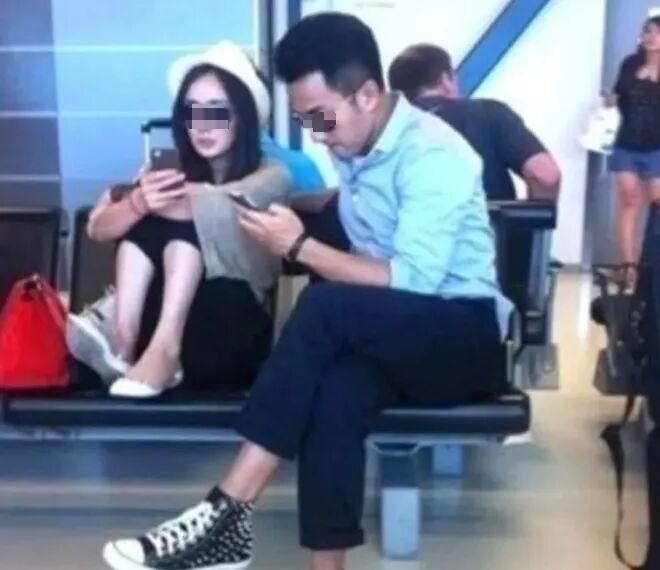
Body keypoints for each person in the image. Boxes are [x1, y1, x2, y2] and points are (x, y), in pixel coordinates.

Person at [102, 13, 513, 570]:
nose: (317, 134)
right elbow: (361, 211)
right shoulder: (357, 144)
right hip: (397, 335)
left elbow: (414, 281)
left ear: (367, 95)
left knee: (322, 306)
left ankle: (227, 513)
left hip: (460, 337)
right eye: (304, 120)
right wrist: (293, 207)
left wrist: (299, 246)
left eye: (321, 117)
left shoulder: (433, 154)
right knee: (335, 392)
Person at [69, 42, 291, 398]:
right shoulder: (170, 173)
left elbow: (206, 207)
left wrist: (139, 199)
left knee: (181, 216)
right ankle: (123, 341)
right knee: (150, 215)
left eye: (216, 112)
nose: (202, 126)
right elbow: (97, 228)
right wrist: (137, 201)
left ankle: (161, 349)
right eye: (192, 113)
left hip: (229, 320)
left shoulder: (272, 175)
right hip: (160, 318)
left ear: (244, 117)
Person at [388, 43, 561, 201]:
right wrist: (531, 221)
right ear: (445, 81)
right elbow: (545, 176)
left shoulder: (386, 130)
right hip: (489, 225)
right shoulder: (489, 113)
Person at [608, 15, 660, 280]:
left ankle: (653, 266)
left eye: (657, 33)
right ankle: (627, 266)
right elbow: (617, 98)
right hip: (627, 142)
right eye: (648, 32)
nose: (651, 37)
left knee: (657, 205)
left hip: (657, 146)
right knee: (628, 200)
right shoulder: (630, 63)